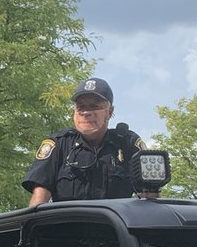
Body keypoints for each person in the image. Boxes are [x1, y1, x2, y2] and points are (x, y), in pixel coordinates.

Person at [22, 78, 150, 204]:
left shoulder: (127, 144)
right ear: (74, 112)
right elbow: (39, 198)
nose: (86, 112)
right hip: (66, 224)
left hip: (115, 224)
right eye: (80, 107)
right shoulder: (59, 144)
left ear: (109, 112)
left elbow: (150, 195)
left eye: (94, 106)